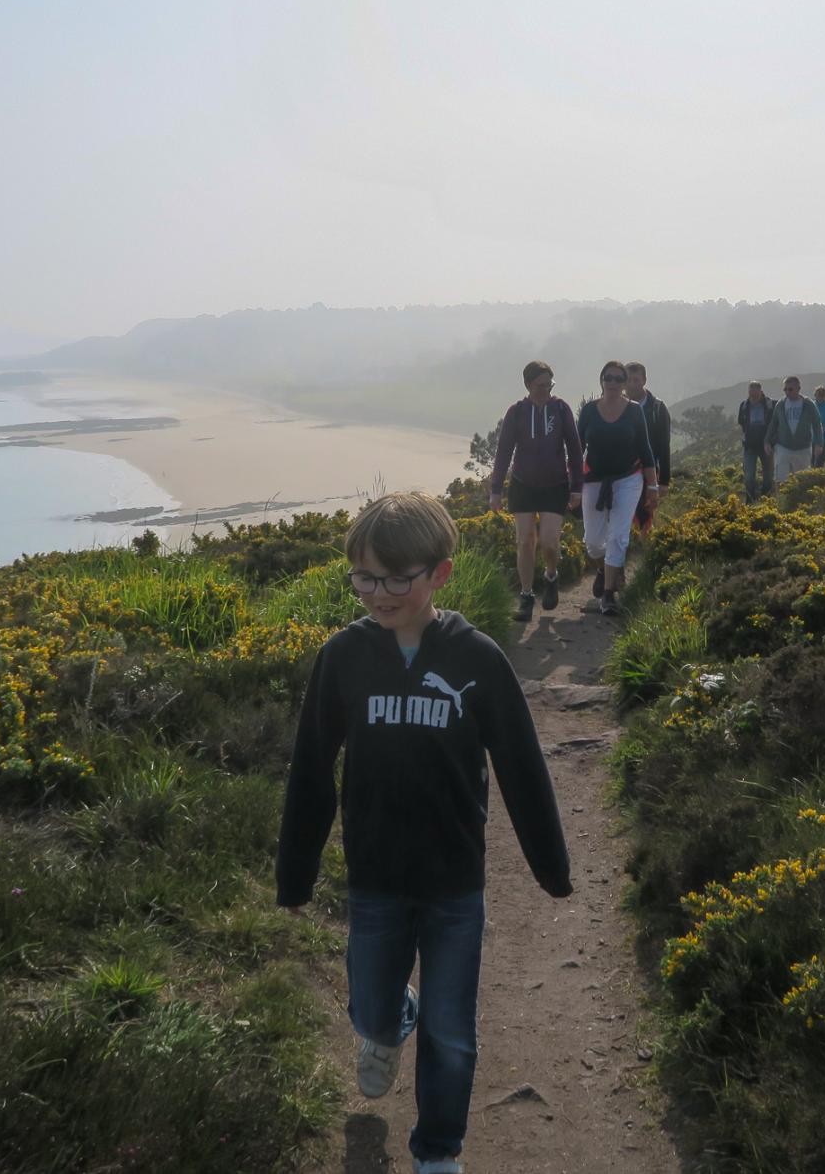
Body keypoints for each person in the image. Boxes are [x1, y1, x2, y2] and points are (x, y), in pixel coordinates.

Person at [277, 492, 572, 1174]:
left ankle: (437, 1151)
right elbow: (312, 770)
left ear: (439, 573)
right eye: (364, 577)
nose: (377, 593)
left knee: (453, 1033)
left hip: (454, 885)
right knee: (374, 1010)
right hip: (376, 879)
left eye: (394, 578)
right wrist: (295, 874)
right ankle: (388, 1022)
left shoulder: (478, 659)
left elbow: (522, 765)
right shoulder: (343, 657)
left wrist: (550, 866)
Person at [487, 361, 584, 623]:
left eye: (549, 385)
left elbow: (575, 451)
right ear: (528, 385)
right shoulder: (516, 412)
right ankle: (527, 595)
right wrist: (496, 490)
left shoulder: (561, 409)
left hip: (555, 485)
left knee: (549, 542)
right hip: (522, 484)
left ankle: (551, 575)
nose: (546, 390)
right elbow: (504, 452)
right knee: (524, 541)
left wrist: (577, 488)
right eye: (540, 385)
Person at [577, 359, 660, 616]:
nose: (613, 383)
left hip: (628, 478)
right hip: (594, 479)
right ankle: (605, 568)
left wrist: (653, 485)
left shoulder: (634, 411)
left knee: (618, 536)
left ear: (624, 384)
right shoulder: (589, 411)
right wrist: (571, 485)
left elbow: (646, 450)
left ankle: (609, 594)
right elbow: (577, 448)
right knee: (593, 542)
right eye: (608, 378)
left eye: (618, 379)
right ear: (601, 381)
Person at [624, 362, 673, 534]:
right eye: (628, 380)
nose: (631, 385)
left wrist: (664, 481)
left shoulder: (657, 408)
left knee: (645, 513)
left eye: (636, 380)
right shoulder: (618, 406)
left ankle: (642, 551)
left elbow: (664, 445)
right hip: (622, 470)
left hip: (648, 471)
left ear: (644, 380)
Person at [764, 374, 825, 488]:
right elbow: (773, 423)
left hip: (803, 448)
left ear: (798, 389)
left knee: (802, 480)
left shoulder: (808, 404)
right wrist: (767, 441)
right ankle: (781, 502)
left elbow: (817, 424)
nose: (787, 392)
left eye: (790, 389)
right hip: (783, 447)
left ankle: (800, 503)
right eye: (785, 389)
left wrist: (819, 444)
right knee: (781, 479)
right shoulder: (781, 404)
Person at [736, 381, 774, 502]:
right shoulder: (744, 405)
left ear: (760, 391)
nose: (753, 394)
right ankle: (750, 500)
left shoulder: (769, 404)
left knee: (768, 476)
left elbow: (774, 422)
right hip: (750, 446)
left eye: (755, 391)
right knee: (748, 476)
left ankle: (766, 500)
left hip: (766, 445)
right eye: (751, 391)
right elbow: (741, 422)